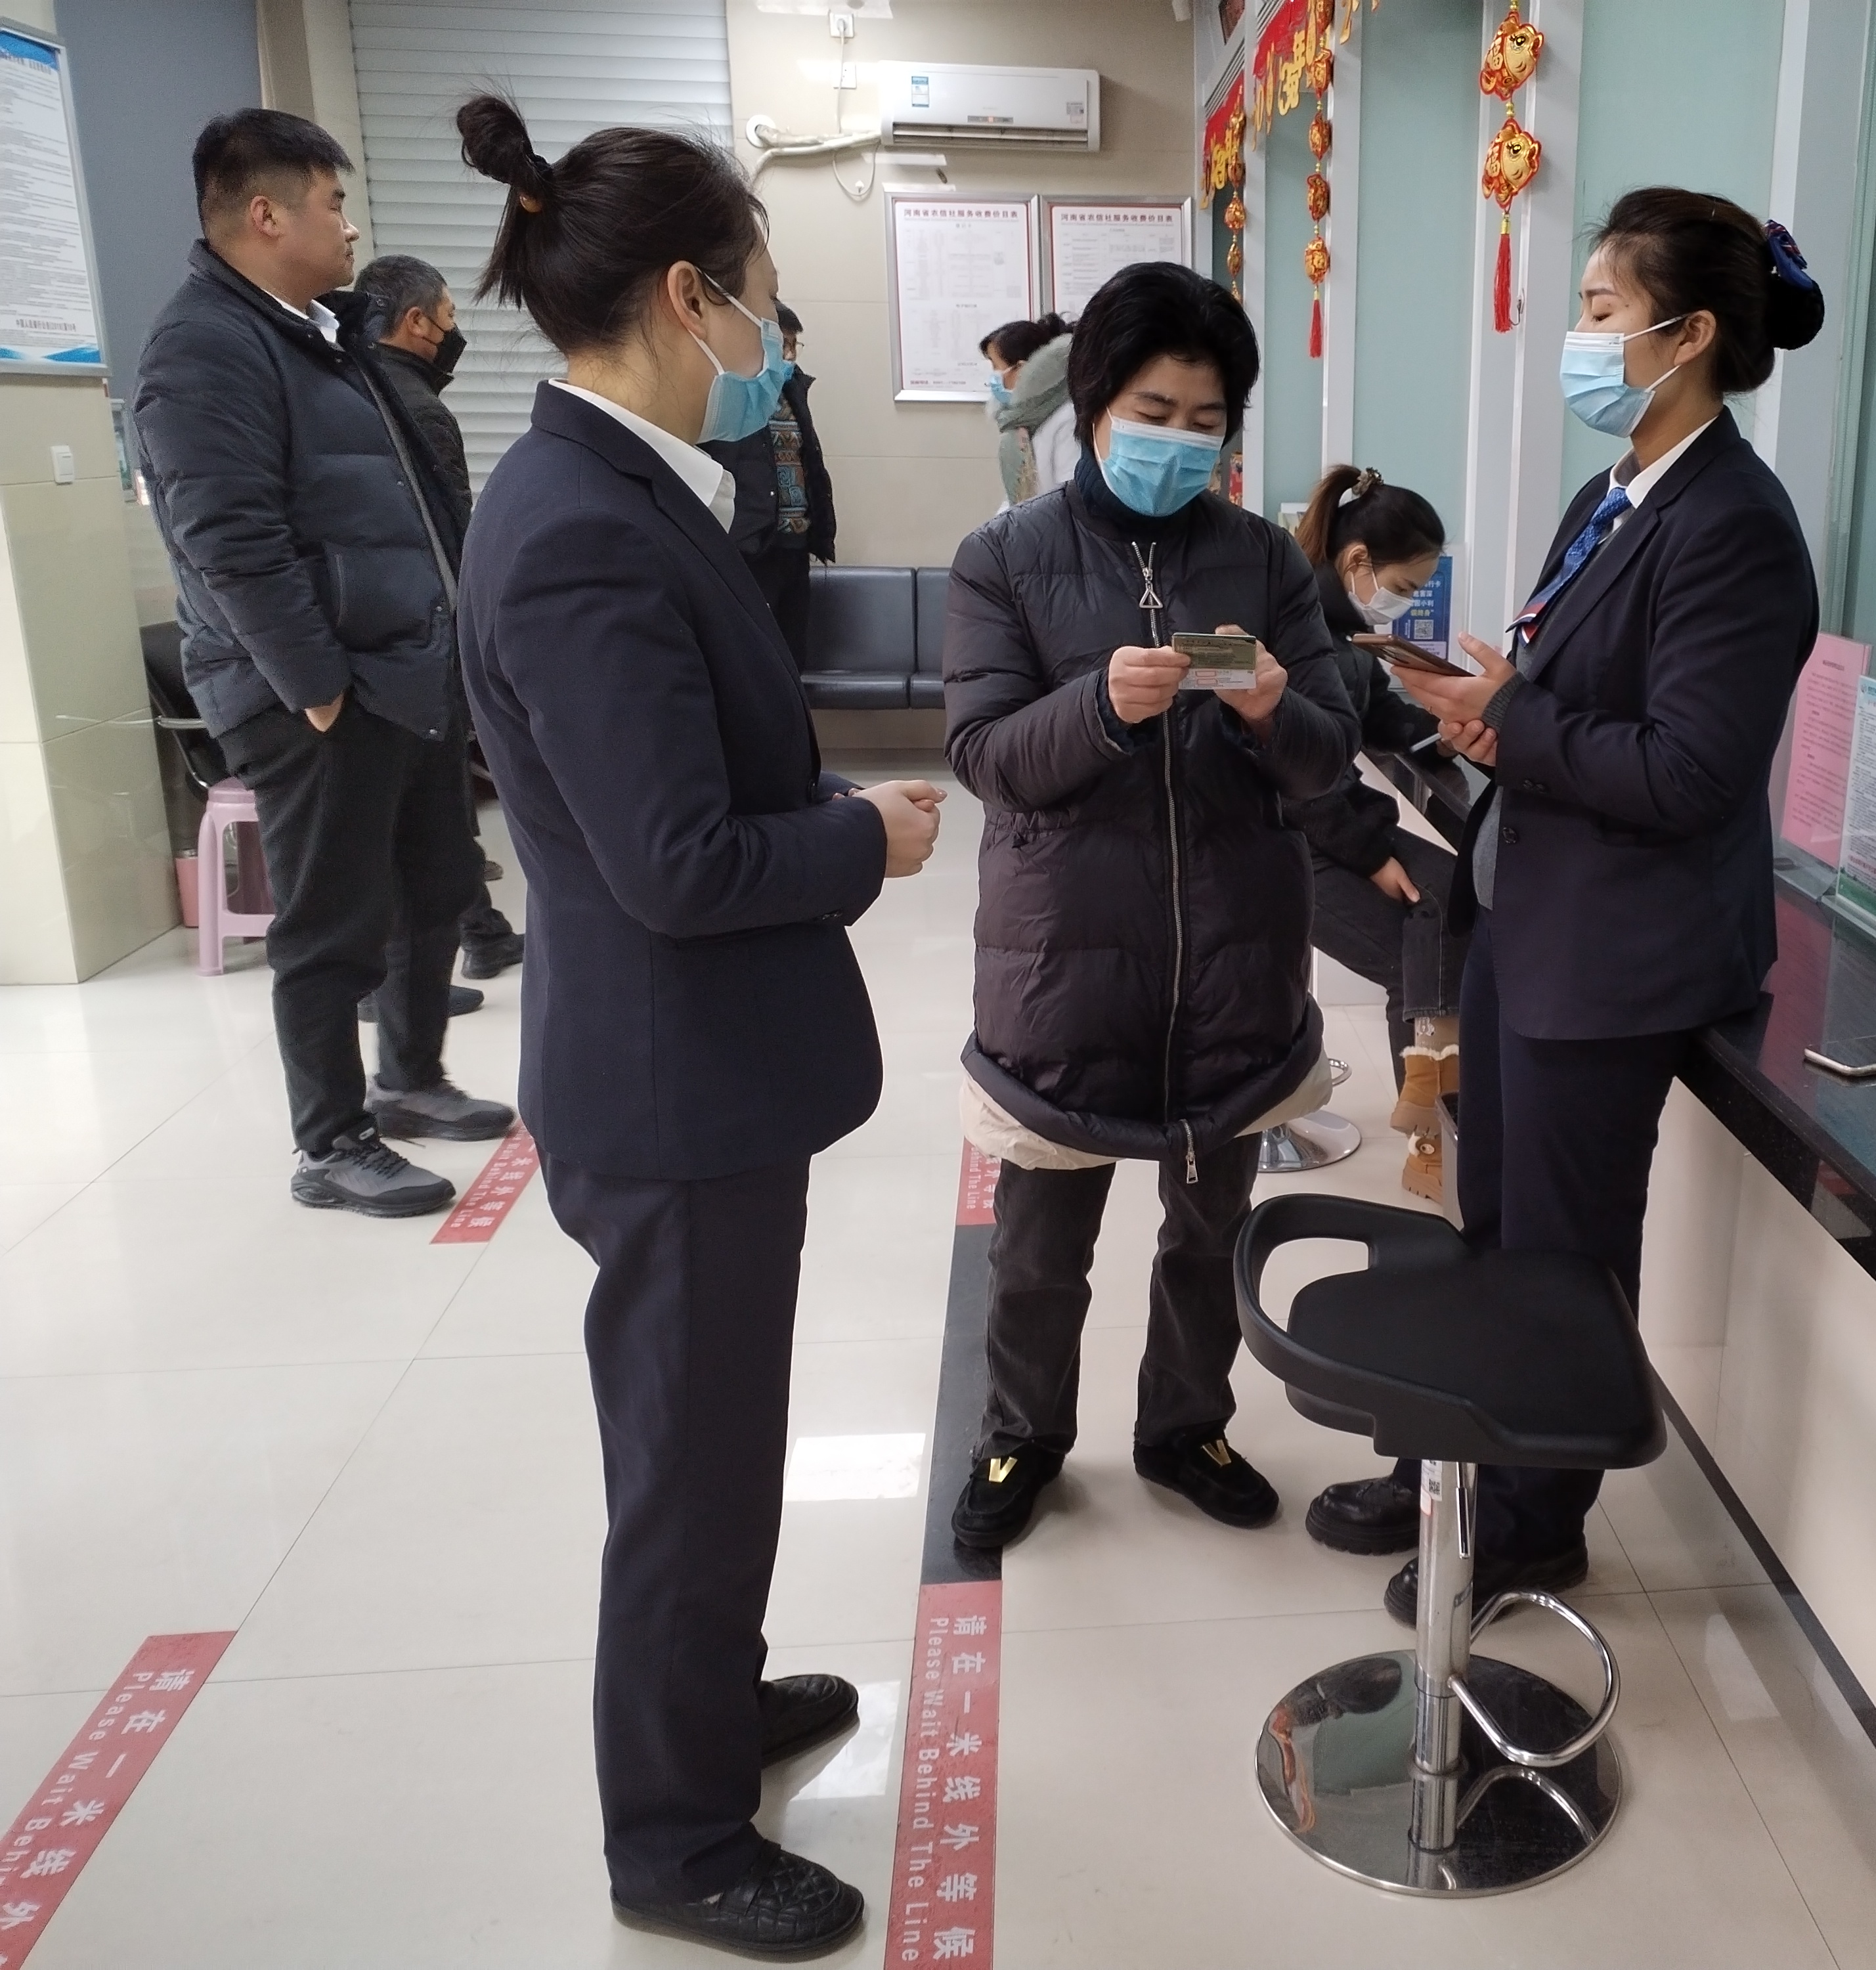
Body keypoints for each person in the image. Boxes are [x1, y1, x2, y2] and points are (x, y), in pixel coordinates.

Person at [451, 95, 944, 1957]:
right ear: (684, 296)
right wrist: (865, 837)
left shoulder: (624, 491)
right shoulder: (579, 529)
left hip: (702, 1073)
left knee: (722, 1443)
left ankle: (716, 1710)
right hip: (669, 1091)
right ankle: (672, 1841)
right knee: (687, 1472)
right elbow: (674, 861)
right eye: (761, 303)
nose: (769, 345)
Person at [1304, 189, 1828, 1611]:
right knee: (1492, 1226)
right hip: (1527, 920)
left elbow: (1691, 771)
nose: (1579, 336)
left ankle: (1536, 1519)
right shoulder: (1613, 499)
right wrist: (1490, 711)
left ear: (1688, 335)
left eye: (1602, 310)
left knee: (1560, 1249)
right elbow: (1568, 702)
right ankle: (1456, 1468)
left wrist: (1518, 720)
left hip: (1617, 955)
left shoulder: (1734, 526)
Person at [942, 261, 1358, 1552]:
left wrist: (1271, 710)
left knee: (1209, 1231)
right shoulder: (1005, 558)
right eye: (1153, 411)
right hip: (1063, 961)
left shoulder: (1261, 561)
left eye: (1205, 420)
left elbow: (1329, 755)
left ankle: (1185, 1425)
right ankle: (1021, 1436)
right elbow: (985, 758)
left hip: (1233, 959)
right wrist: (1098, 709)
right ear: (1092, 403)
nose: (1179, 440)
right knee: (1037, 1246)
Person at [131, 109, 512, 1219]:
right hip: (318, 691)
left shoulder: (324, 337)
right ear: (266, 215)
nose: (350, 227)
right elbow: (229, 540)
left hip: (404, 671)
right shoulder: (203, 348)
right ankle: (331, 1142)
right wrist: (317, 687)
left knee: (436, 888)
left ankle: (411, 1080)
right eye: (333, 204)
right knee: (332, 921)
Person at [1284, 464, 1470, 1206]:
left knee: (1451, 895)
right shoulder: (1306, 634)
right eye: (1407, 585)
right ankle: (1431, 1131)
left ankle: (1429, 1100)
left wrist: (1442, 731)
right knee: (1413, 953)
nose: (1409, 601)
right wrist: (1373, 856)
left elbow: (1376, 716)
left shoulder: (1341, 632)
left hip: (1330, 819)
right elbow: (1298, 775)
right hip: (1289, 837)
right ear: (1358, 559)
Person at [353, 250, 525, 983]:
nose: (455, 333)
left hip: (384, 636)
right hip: (420, 631)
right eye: (450, 317)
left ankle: (480, 934)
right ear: (418, 323)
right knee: (432, 803)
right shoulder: (414, 408)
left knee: (429, 801)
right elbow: (452, 532)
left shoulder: (354, 388)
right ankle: (429, 964)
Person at [703, 301, 834, 664]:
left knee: (793, 653)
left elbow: (808, 460)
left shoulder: (793, 391)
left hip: (796, 543)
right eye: (782, 344)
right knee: (755, 656)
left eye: (794, 345)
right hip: (751, 545)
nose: (789, 355)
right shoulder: (729, 392)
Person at [982, 311, 1076, 507]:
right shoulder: (1020, 419)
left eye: (996, 366)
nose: (993, 376)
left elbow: (1070, 497)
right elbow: (1014, 498)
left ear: (1021, 369)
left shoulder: (1067, 417)